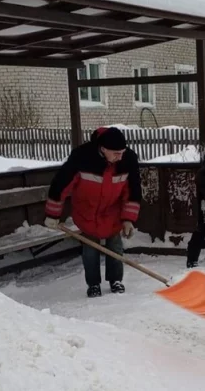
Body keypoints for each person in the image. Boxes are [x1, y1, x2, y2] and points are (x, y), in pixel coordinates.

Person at [45, 127, 141, 298]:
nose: (120, 156)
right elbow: (60, 185)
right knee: (90, 249)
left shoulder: (128, 160)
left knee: (115, 247)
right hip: (86, 211)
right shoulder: (82, 157)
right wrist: (53, 215)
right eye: (116, 153)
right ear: (103, 149)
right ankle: (93, 284)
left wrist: (128, 219)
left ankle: (115, 280)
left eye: (122, 152)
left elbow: (133, 191)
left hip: (112, 212)